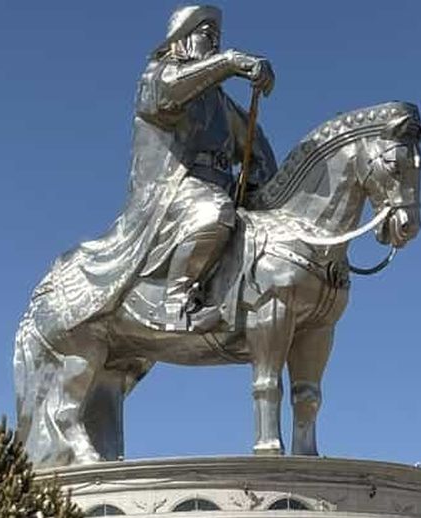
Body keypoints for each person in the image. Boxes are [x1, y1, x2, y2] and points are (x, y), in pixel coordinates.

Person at [44, 5, 277, 331]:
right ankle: (175, 302)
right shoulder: (157, 77)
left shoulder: (224, 105)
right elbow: (171, 93)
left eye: (218, 40)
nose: (214, 45)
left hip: (221, 188)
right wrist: (229, 63)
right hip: (174, 192)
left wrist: (256, 186)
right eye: (206, 36)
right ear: (182, 38)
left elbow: (259, 148)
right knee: (213, 212)